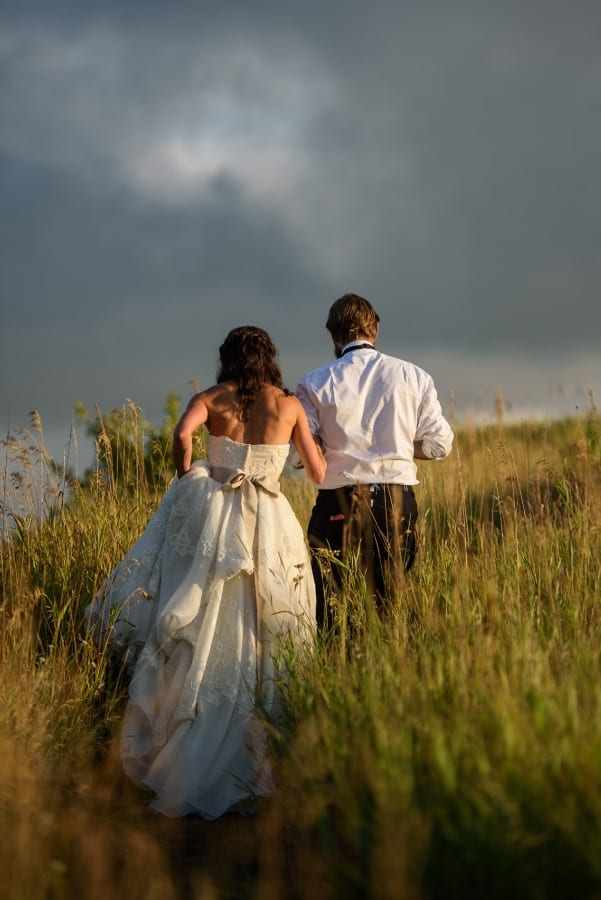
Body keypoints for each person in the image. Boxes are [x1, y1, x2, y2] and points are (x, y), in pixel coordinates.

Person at [85, 326, 325, 819]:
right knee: (270, 616)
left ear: (228, 358)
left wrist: (187, 471)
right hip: (269, 522)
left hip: (216, 518)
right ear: (270, 359)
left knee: (201, 605)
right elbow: (318, 471)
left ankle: (187, 728)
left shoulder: (211, 397)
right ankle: (264, 748)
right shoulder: (290, 405)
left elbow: (180, 435)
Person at [295, 293, 454, 627]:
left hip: (337, 501)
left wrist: (326, 444)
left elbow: (300, 452)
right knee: (388, 601)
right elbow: (440, 444)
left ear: (333, 336)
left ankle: (338, 669)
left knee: (329, 602)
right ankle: (385, 666)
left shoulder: (313, 383)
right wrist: (397, 445)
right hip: (395, 501)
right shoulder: (414, 376)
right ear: (376, 329)